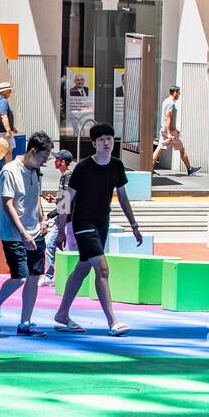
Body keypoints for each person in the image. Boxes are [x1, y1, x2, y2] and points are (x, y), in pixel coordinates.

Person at [54, 122, 143, 336]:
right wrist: (60, 229)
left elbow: (122, 197)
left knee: (83, 268)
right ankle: (113, 321)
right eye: (101, 140)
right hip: (83, 224)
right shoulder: (83, 168)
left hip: (102, 223)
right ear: (94, 143)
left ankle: (62, 313)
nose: (106, 143)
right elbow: (66, 198)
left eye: (109, 139)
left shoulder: (117, 166)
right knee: (102, 269)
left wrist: (134, 225)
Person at [0, 131, 53, 338]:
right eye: (43, 157)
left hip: (34, 232)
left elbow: (36, 197)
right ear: (33, 151)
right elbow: (8, 204)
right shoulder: (10, 171)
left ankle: (25, 322)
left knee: (34, 277)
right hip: (14, 234)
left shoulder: (35, 171)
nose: (45, 161)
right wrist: (23, 233)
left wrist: (42, 219)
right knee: (20, 276)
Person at [42, 147, 75, 285]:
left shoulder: (68, 177)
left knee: (66, 247)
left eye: (56, 159)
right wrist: (55, 200)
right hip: (61, 217)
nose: (54, 161)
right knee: (51, 243)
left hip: (67, 219)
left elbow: (66, 201)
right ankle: (51, 276)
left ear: (62, 162)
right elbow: (63, 200)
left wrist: (50, 215)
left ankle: (59, 277)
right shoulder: (64, 176)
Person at [152, 86, 200, 176]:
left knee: (159, 149)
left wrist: (174, 129)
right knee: (181, 149)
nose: (179, 94)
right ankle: (189, 169)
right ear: (174, 92)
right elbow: (168, 117)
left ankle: (149, 168)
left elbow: (168, 118)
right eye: (178, 92)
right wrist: (170, 132)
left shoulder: (166, 101)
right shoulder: (171, 103)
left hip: (164, 129)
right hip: (169, 132)